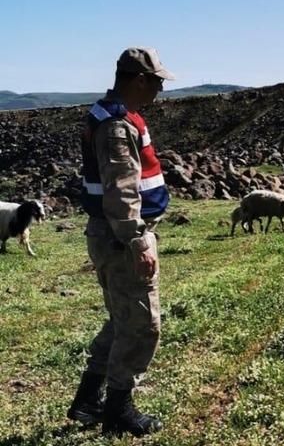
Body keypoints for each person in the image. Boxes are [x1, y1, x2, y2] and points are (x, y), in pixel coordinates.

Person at [67, 47, 174, 438]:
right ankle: (118, 409)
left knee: (122, 319)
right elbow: (121, 192)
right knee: (143, 324)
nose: (161, 88)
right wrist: (137, 241)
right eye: (157, 80)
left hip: (112, 235)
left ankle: (88, 401)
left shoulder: (112, 115)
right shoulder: (116, 126)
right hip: (122, 237)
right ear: (139, 79)